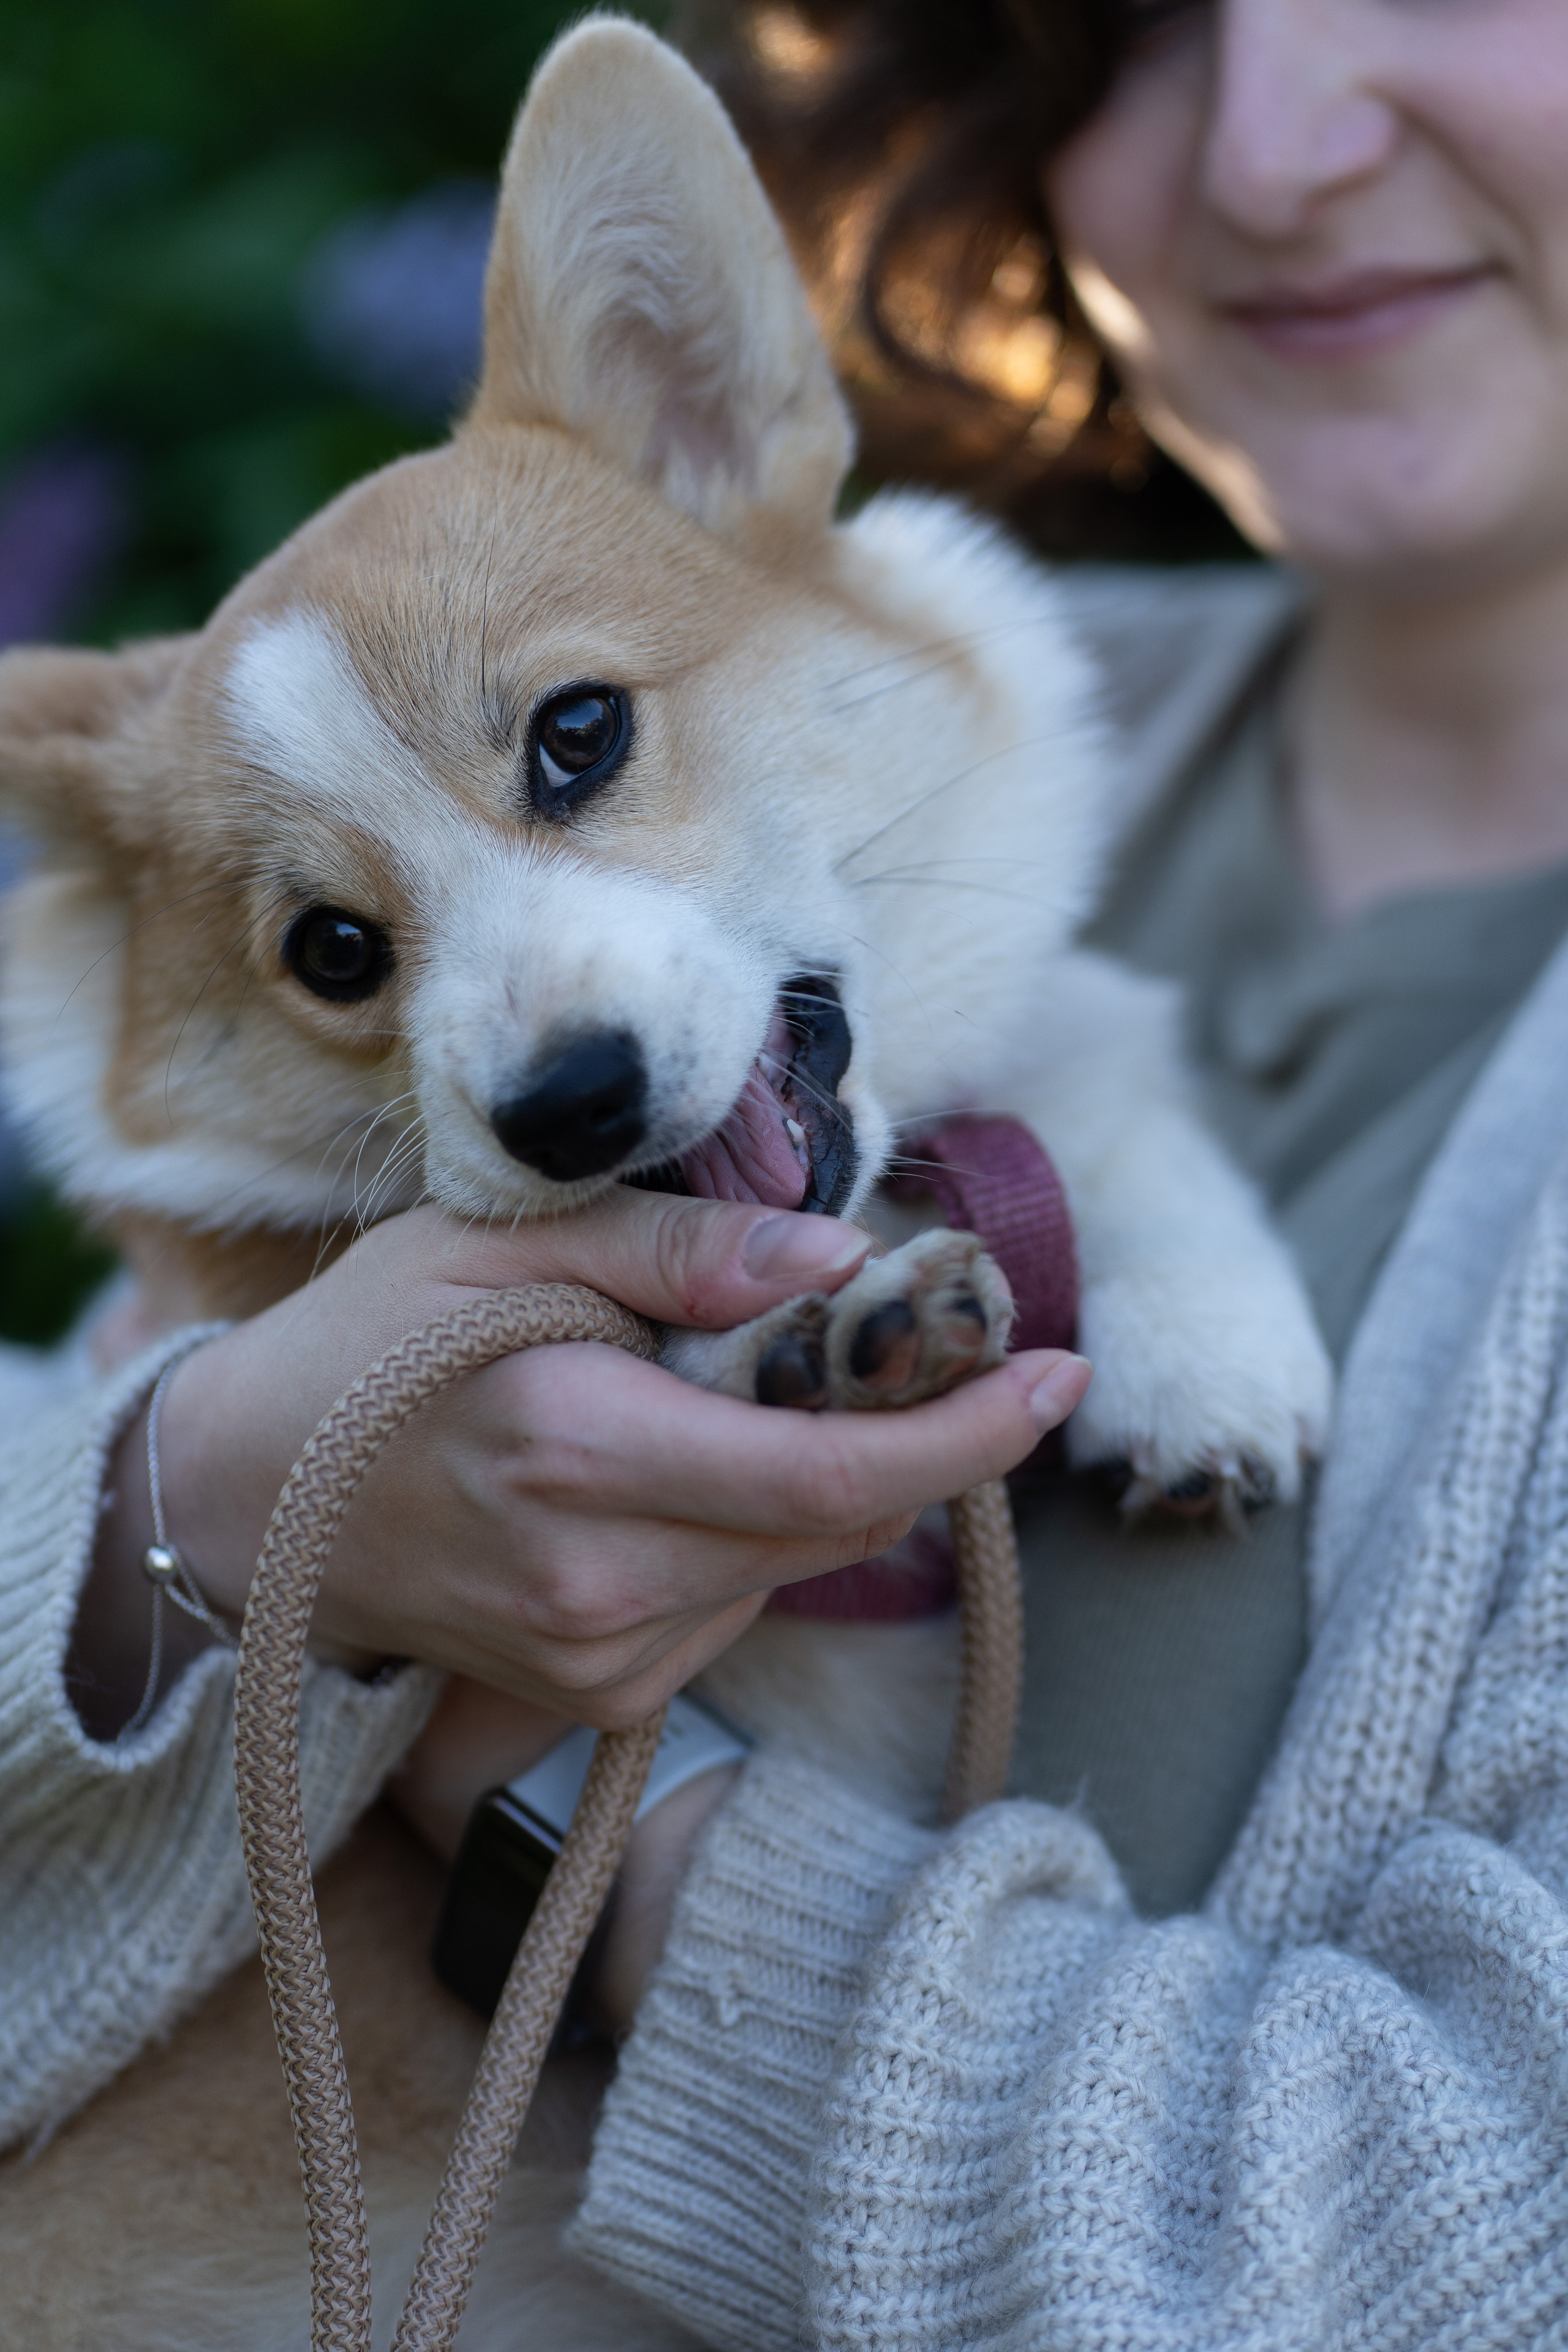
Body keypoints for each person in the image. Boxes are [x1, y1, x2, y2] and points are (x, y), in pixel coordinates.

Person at [5, 0, 1568, 2342]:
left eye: (574, 744)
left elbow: (1460, 2258)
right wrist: (197, 1504)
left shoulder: (785, 659)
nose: (1278, 146)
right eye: (1139, 19)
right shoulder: (869, 693)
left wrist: (561, 1811)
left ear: (710, 401)